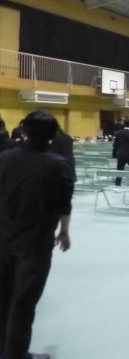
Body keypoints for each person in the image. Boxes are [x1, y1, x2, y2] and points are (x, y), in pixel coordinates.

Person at [0, 111, 73, 359]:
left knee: (3, 297)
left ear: (24, 130)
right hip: (36, 243)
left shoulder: (4, 159)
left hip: (4, 237)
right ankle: (16, 354)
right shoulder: (58, 164)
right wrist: (64, 232)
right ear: (53, 135)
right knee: (24, 302)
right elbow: (64, 204)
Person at [112, 118, 129, 185]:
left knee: (119, 170)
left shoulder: (118, 133)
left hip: (120, 154)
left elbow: (115, 145)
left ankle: (117, 183)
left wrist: (114, 154)